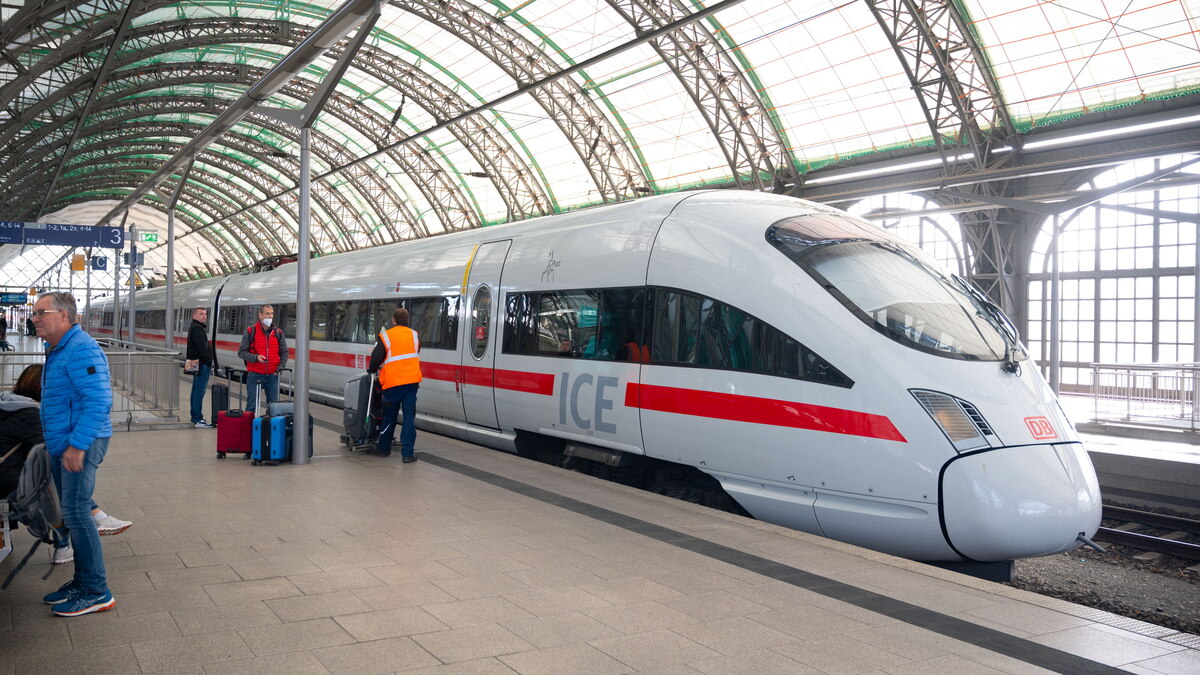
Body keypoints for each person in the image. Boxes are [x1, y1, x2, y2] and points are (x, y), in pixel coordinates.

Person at [31, 291, 116, 616]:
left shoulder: (81, 349)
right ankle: (82, 582)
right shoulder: (58, 349)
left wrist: (77, 446)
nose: (35, 318)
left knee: (79, 514)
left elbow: (98, 401)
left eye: (42, 312)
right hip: (63, 443)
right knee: (72, 514)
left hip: (80, 443)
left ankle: (96, 590)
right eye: (34, 313)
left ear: (64, 316)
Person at [0, 364, 131, 566]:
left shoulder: (11, 403)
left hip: (8, 473)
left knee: (58, 483)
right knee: (61, 483)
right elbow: (47, 452)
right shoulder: (29, 413)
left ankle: (66, 544)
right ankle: (92, 517)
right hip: (7, 479)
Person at [367, 307, 422, 462]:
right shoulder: (415, 335)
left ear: (393, 320)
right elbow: (415, 352)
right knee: (409, 417)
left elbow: (377, 356)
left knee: (389, 416)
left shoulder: (386, 336)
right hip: (411, 382)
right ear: (407, 320)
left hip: (393, 383)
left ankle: (384, 449)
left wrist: (371, 369)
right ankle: (408, 454)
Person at [237, 304, 288, 415]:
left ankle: (271, 430)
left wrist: (279, 369)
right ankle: (249, 429)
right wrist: (256, 358)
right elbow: (241, 352)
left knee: (273, 406)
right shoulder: (251, 331)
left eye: (272, 314)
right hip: (254, 374)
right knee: (251, 405)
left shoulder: (278, 333)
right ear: (260, 315)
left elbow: (284, 353)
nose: (270, 316)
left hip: (273, 375)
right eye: (267, 313)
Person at [187, 307, 215, 428]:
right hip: (201, 364)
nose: (204, 316)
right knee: (199, 391)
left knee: (195, 390)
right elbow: (202, 348)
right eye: (201, 314)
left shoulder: (194, 327)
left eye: (205, 314)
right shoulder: (198, 329)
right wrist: (209, 361)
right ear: (194, 316)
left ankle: (195, 417)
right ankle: (197, 418)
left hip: (194, 362)